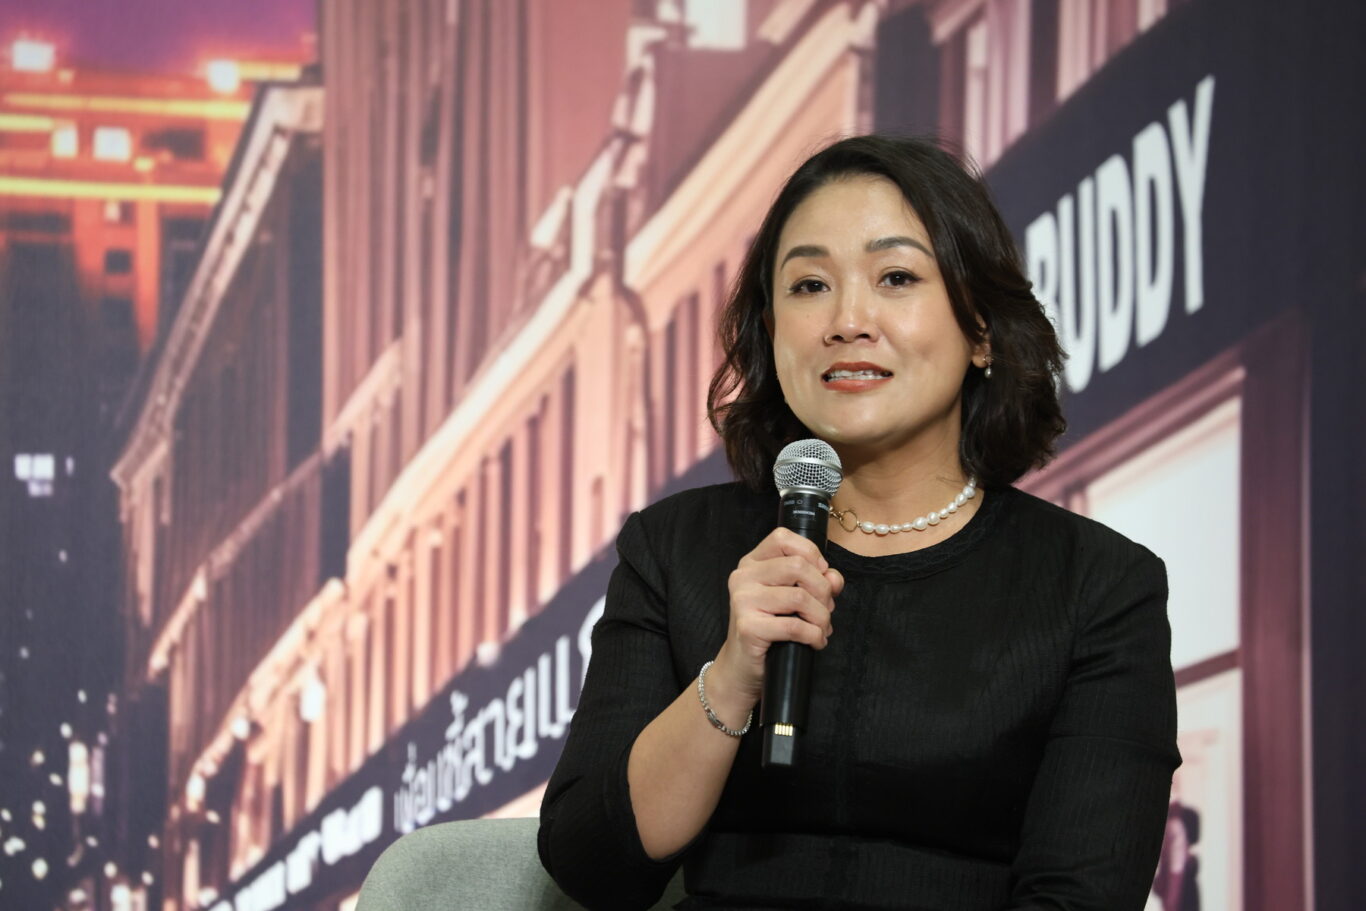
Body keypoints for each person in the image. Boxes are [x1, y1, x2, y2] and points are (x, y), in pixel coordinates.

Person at [538, 134, 1181, 910]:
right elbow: (590, 864)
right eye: (809, 285)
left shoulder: (1098, 585)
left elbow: (1080, 894)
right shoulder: (675, 548)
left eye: (896, 277)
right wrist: (730, 678)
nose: (847, 320)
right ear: (771, 330)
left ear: (980, 328)